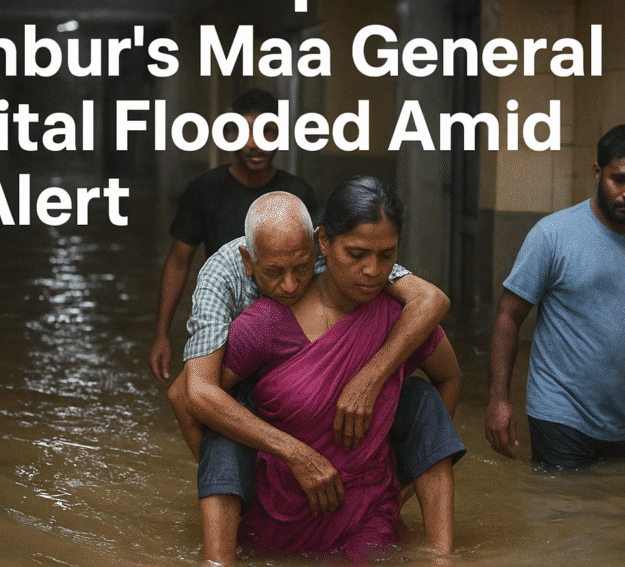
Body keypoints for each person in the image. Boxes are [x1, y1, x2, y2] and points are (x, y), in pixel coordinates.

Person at [181, 190, 463, 564]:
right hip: (274, 465)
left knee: (419, 398)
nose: (290, 285)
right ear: (250, 262)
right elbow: (190, 394)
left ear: (317, 245)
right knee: (224, 435)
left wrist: (400, 483)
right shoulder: (241, 298)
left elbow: (433, 309)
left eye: (300, 268)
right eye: (274, 272)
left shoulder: (372, 288)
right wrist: (243, 484)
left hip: (365, 502)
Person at [485, 123, 625, 469]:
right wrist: (498, 399)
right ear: (597, 173)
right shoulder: (552, 236)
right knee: (560, 512)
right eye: (619, 179)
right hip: (557, 412)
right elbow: (508, 316)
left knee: (617, 514)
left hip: (624, 421)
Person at [149, 88, 318, 383]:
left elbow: (318, 265)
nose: (256, 144)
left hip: (288, 325)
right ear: (229, 137)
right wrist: (162, 334)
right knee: (202, 395)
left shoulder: (298, 193)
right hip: (228, 327)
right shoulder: (205, 190)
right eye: (246, 132)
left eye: (268, 132)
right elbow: (178, 262)